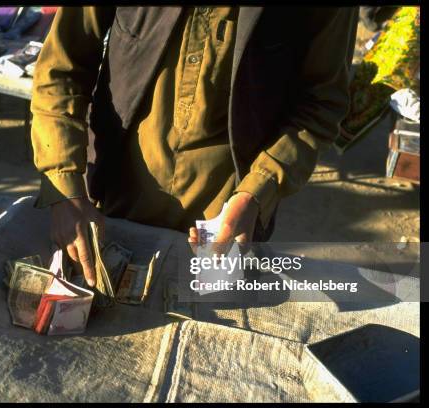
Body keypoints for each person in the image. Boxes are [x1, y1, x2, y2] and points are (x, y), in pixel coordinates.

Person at [30, 7, 358, 286]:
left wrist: (256, 192)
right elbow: (62, 66)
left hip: (226, 218)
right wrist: (65, 183)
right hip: (108, 200)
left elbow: (321, 101)